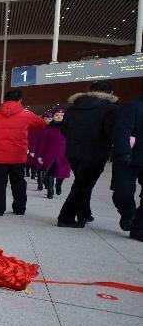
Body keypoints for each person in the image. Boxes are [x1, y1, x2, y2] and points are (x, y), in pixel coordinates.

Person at [57, 81, 119, 228]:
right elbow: (111, 133)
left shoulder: (73, 108)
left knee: (82, 182)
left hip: (73, 152)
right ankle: (66, 217)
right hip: (95, 152)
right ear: (110, 92)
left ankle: (84, 213)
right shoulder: (111, 108)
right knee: (82, 185)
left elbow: (64, 130)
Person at [0, 89, 47, 216]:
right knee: (18, 182)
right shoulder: (27, 115)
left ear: (5, 101)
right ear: (20, 100)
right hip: (17, 156)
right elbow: (42, 124)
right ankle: (19, 209)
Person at [111, 93, 143, 241]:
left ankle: (138, 228)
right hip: (128, 158)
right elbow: (121, 131)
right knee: (122, 192)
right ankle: (129, 214)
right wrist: (123, 152)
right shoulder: (132, 106)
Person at [36, 109, 70, 199]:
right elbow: (43, 143)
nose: (59, 117)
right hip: (50, 155)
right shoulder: (48, 128)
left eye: (62, 115)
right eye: (57, 115)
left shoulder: (69, 128)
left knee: (62, 173)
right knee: (50, 173)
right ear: (53, 117)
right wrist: (40, 155)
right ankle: (50, 191)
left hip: (64, 155)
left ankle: (58, 185)